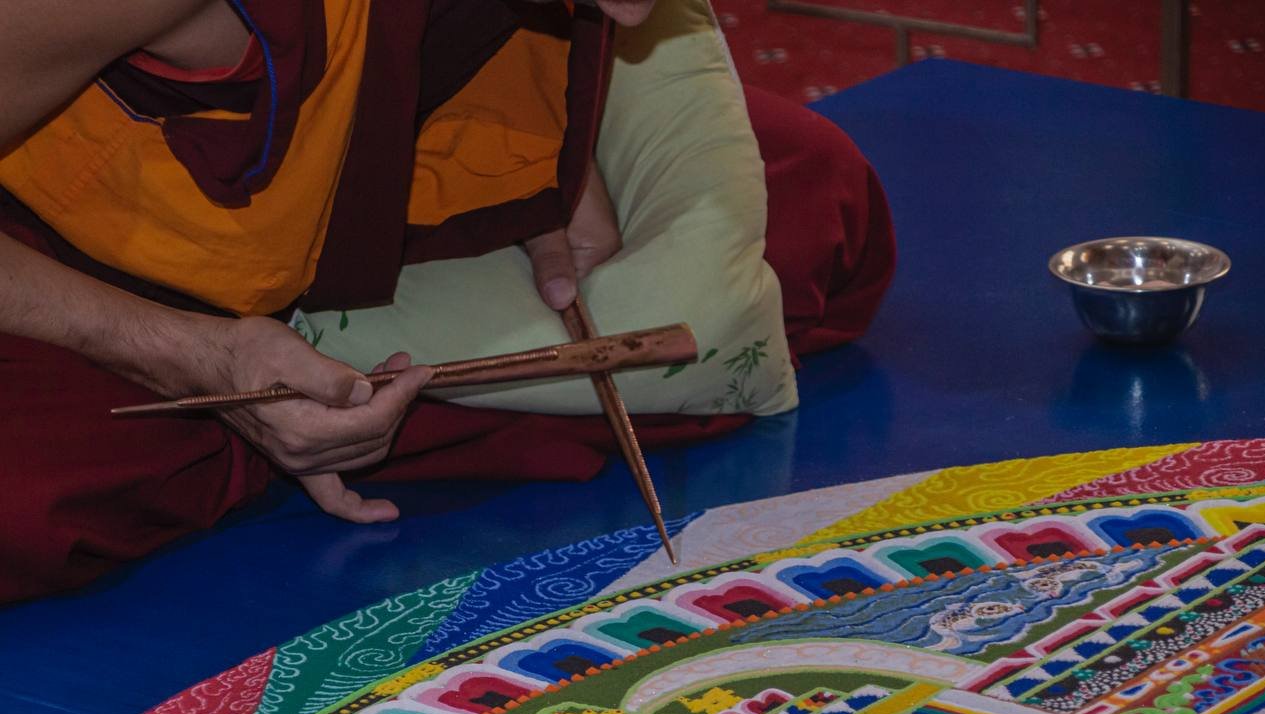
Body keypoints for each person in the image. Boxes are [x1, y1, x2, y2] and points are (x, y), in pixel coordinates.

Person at [0, 0, 895, 602]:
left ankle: (308, 408)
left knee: (819, 194)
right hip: (73, 247)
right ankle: (264, 415)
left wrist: (538, 164)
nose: (631, 15)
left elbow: (422, 45)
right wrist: (192, 355)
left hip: (346, 178)